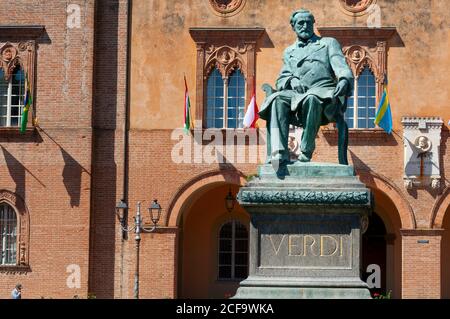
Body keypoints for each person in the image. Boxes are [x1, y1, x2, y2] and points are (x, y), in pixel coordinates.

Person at [259, 9, 354, 165]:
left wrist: (344, 79)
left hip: (324, 93)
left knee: (312, 98)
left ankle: (306, 150)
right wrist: (291, 79)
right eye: (300, 23)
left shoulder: (328, 43)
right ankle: (279, 153)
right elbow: (281, 79)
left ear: (313, 24)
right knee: (276, 100)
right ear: (294, 26)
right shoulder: (289, 51)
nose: (304, 26)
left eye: (308, 22)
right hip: (297, 95)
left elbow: (341, 65)